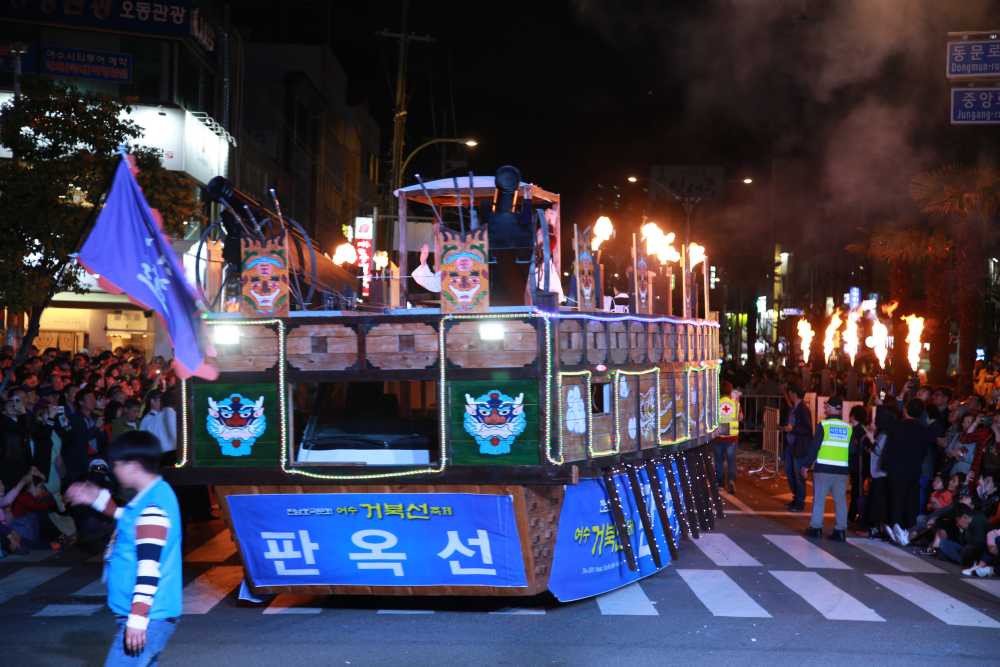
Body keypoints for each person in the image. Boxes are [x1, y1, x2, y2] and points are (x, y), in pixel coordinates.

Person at [67, 431, 182, 666]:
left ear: (133, 466)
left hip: (149, 616)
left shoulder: (152, 507)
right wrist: (97, 500)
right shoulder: (153, 496)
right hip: (151, 615)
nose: (115, 470)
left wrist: (138, 620)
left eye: (117, 464)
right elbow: (131, 520)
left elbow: (149, 569)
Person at [881, 398, 935, 546]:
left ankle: (896, 527)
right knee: (911, 499)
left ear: (905, 410)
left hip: (896, 468)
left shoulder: (897, 426)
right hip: (914, 469)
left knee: (896, 498)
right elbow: (925, 451)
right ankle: (908, 530)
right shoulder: (924, 430)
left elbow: (889, 445)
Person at [802, 396, 850, 541]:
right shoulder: (848, 428)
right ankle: (840, 530)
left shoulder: (823, 425)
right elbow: (851, 450)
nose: (826, 409)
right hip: (842, 471)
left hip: (823, 469)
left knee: (819, 499)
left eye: (827, 407)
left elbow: (814, 447)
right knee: (840, 501)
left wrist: (806, 465)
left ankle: (816, 528)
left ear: (835, 408)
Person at [783, 386, 813, 512]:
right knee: (789, 472)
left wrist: (792, 429)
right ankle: (796, 498)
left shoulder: (803, 409)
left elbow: (807, 429)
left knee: (798, 474)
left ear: (794, 393)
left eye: (790, 392)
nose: (789, 395)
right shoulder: (794, 408)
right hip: (791, 445)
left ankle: (799, 502)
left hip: (799, 446)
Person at [714, 381, 742, 494]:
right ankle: (731, 480)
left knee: (719, 461)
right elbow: (740, 417)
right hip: (732, 437)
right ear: (730, 391)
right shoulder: (735, 404)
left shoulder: (716, 403)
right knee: (731, 461)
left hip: (719, 436)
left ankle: (720, 484)